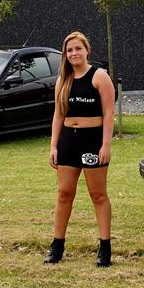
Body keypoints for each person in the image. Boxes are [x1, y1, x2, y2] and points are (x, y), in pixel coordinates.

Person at [45, 31, 116, 267]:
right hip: (68, 141)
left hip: (92, 140)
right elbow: (58, 116)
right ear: (65, 54)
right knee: (64, 193)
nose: (74, 53)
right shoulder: (62, 81)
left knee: (98, 194)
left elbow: (109, 114)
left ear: (87, 50)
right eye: (69, 50)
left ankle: (104, 247)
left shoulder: (99, 76)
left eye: (78, 48)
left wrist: (105, 145)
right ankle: (57, 245)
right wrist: (53, 146)